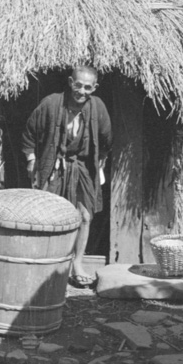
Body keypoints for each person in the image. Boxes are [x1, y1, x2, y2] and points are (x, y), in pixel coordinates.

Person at [22, 66, 112, 288]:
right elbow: (29, 134)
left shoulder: (97, 107)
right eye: (78, 85)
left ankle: (77, 264)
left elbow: (106, 138)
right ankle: (48, 266)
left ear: (94, 88)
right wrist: (32, 160)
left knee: (84, 216)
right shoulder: (51, 104)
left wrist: (101, 159)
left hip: (82, 167)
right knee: (49, 216)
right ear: (71, 82)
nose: (81, 91)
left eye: (87, 87)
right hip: (54, 165)